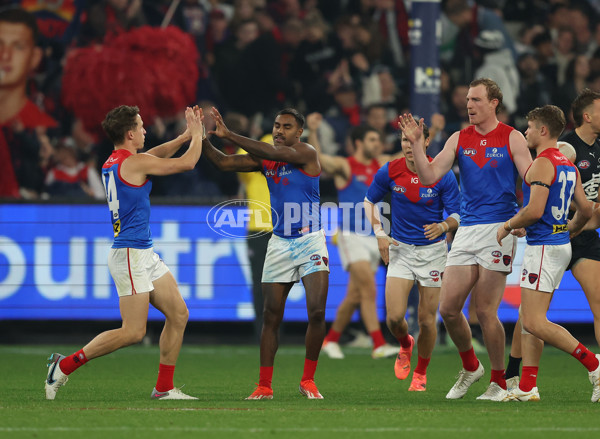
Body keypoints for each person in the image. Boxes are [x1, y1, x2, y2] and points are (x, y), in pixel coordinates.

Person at [45, 105, 205, 401]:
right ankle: (64, 365)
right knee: (133, 332)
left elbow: (155, 154)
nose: (146, 130)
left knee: (179, 314)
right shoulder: (133, 163)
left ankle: (164, 388)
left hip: (143, 252)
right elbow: (187, 164)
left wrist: (183, 136)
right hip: (129, 255)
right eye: (142, 127)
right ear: (130, 133)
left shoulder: (117, 160)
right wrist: (197, 137)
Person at [398, 78, 532, 401]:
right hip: (467, 230)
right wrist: (417, 143)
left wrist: (526, 213)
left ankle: (499, 382)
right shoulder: (459, 138)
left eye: (476, 100)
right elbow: (429, 175)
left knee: (485, 311)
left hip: (499, 228)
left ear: (494, 103)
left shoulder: (512, 137)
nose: (469, 105)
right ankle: (472, 366)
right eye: (468, 100)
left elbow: (531, 176)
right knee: (448, 309)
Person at [202, 107, 329, 400]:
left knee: (318, 312)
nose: (279, 131)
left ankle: (307, 381)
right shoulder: (266, 160)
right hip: (280, 243)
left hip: (310, 239)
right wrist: (201, 140)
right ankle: (264, 386)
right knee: (271, 315)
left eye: (286, 127)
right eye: (276, 125)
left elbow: (279, 155)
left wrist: (229, 133)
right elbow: (222, 163)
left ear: (299, 133)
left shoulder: (306, 153)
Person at [497, 105, 598, 402]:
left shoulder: (542, 163)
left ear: (543, 130)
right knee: (528, 316)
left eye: (529, 127)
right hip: (558, 244)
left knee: (533, 322)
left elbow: (534, 209)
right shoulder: (569, 163)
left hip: (544, 248)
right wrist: (569, 228)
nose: (525, 132)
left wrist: (509, 225)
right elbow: (586, 208)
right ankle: (528, 386)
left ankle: (594, 364)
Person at [364, 123, 461, 392]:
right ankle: (406, 344)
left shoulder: (441, 173)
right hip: (401, 249)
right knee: (394, 318)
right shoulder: (391, 170)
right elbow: (368, 201)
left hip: (432, 252)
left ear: (427, 141)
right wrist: (379, 233)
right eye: (405, 140)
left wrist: (443, 226)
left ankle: (421, 372)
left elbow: (458, 214)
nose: (408, 145)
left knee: (427, 320)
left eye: (414, 140)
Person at [306, 114, 397, 360]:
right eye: (372, 139)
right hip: (350, 235)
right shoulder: (346, 166)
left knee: (355, 294)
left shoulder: (380, 164)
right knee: (369, 288)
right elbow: (318, 160)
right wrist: (313, 132)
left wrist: (419, 139)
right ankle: (378, 344)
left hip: (374, 236)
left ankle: (331, 339)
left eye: (378, 140)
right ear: (358, 143)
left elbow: (405, 158)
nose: (377, 144)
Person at [0, 7, 58, 198]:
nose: (5, 56)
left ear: (34, 57)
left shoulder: (38, 105)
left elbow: (41, 153)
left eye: (18, 46)